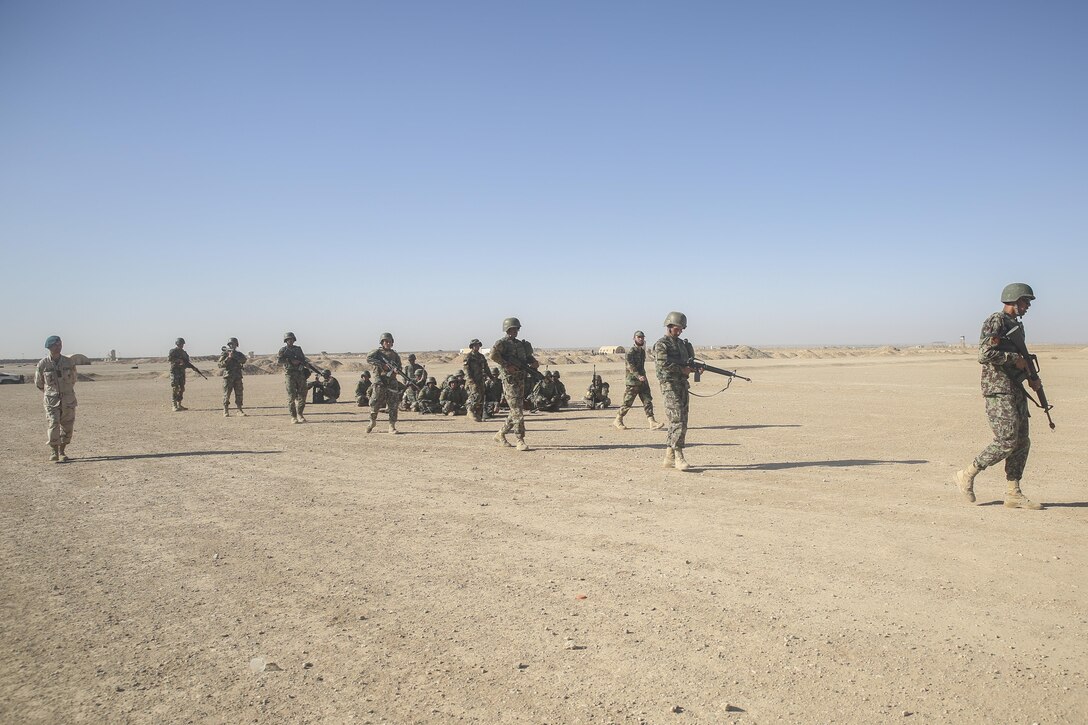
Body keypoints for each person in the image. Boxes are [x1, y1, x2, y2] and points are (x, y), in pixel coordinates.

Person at [954, 283, 1045, 510]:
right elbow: (984, 354)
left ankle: (1013, 492)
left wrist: (1030, 377)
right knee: (1007, 441)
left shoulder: (1016, 326)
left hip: (1015, 387)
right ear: (1013, 300)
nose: (1028, 306)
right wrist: (1013, 359)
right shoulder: (996, 320)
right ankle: (967, 474)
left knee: (1022, 441)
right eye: (1025, 301)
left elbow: (1020, 357)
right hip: (998, 389)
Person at [490, 317, 539, 451]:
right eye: (512, 329)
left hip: (520, 379)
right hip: (510, 381)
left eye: (516, 329)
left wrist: (534, 362)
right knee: (517, 411)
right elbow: (493, 355)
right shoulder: (502, 343)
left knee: (515, 411)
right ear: (507, 330)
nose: (515, 331)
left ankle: (500, 434)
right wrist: (506, 365)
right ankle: (520, 439)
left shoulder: (521, 344)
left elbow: (527, 358)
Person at [654, 311, 695, 470]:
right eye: (677, 328)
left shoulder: (682, 344)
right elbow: (662, 366)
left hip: (682, 386)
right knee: (677, 418)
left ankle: (669, 456)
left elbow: (687, 363)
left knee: (681, 420)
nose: (680, 331)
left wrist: (693, 369)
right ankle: (679, 456)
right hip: (669, 386)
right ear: (669, 326)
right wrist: (682, 370)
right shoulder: (662, 344)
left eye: (682, 328)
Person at [34, 335, 77, 462]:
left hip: (68, 400)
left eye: (60, 344)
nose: (58, 347)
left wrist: (65, 391)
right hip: (52, 401)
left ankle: (62, 450)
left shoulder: (69, 362)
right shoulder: (43, 364)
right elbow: (39, 383)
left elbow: (73, 379)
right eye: (55, 345)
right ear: (49, 347)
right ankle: (54, 451)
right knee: (53, 424)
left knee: (67, 426)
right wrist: (51, 392)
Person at [615, 330, 664, 430]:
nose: (641, 339)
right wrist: (638, 376)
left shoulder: (642, 351)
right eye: (639, 337)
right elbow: (630, 366)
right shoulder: (631, 351)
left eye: (642, 337)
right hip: (633, 381)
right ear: (634, 339)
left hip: (643, 381)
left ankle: (652, 422)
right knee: (627, 402)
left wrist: (642, 377)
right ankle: (618, 420)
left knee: (647, 400)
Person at [366, 332, 404, 433]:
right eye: (385, 341)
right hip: (379, 381)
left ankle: (392, 426)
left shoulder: (395, 354)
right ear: (382, 342)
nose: (387, 343)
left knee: (393, 404)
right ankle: (372, 421)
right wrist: (382, 365)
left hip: (391, 381)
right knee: (375, 402)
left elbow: (399, 366)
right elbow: (368, 359)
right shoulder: (377, 353)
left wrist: (396, 370)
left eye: (389, 341)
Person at [277, 331, 312, 423]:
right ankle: (293, 416)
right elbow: (279, 361)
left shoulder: (298, 349)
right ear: (286, 340)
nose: (290, 341)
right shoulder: (283, 350)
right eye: (288, 339)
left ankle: (300, 414)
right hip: (290, 374)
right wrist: (290, 361)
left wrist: (306, 364)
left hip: (300, 374)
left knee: (303, 394)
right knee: (291, 396)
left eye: (292, 339)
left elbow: (303, 360)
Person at [167, 337, 204, 412]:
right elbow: (169, 359)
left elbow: (187, 363)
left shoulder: (184, 353)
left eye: (182, 344)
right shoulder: (173, 351)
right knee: (175, 388)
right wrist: (178, 360)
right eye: (180, 344)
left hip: (181, 372)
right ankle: (174, 405)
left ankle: (179, 404)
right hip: (175, 372)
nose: (181, 345)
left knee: (182, 389)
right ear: (177, 344)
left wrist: (193, 367)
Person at [217, 337, 247, 417]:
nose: (232, 345)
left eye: (233, 344)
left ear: (236, 345)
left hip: (237, 376)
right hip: (228, 376)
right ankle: (225, 410)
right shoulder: (225, 353)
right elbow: (220, 364)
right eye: (230, 344)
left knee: (239, 393)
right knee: (227, 394)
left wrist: (235, 356)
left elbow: (244, 360)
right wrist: (228, 358)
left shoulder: (239, 354)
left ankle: (239, 410)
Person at [462, 339, 491, 422]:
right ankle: (470, 410)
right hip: (472, 381)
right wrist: (470, 381)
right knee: (475, 395)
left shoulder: (481, 357)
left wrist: (490, 376)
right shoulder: (468, 357)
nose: (477, 347)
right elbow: (466, 370)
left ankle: (478, 414)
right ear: (472, 346)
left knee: (481, 397)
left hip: (481, 380)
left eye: (478, 345)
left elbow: (486, 368)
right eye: (475, 345)